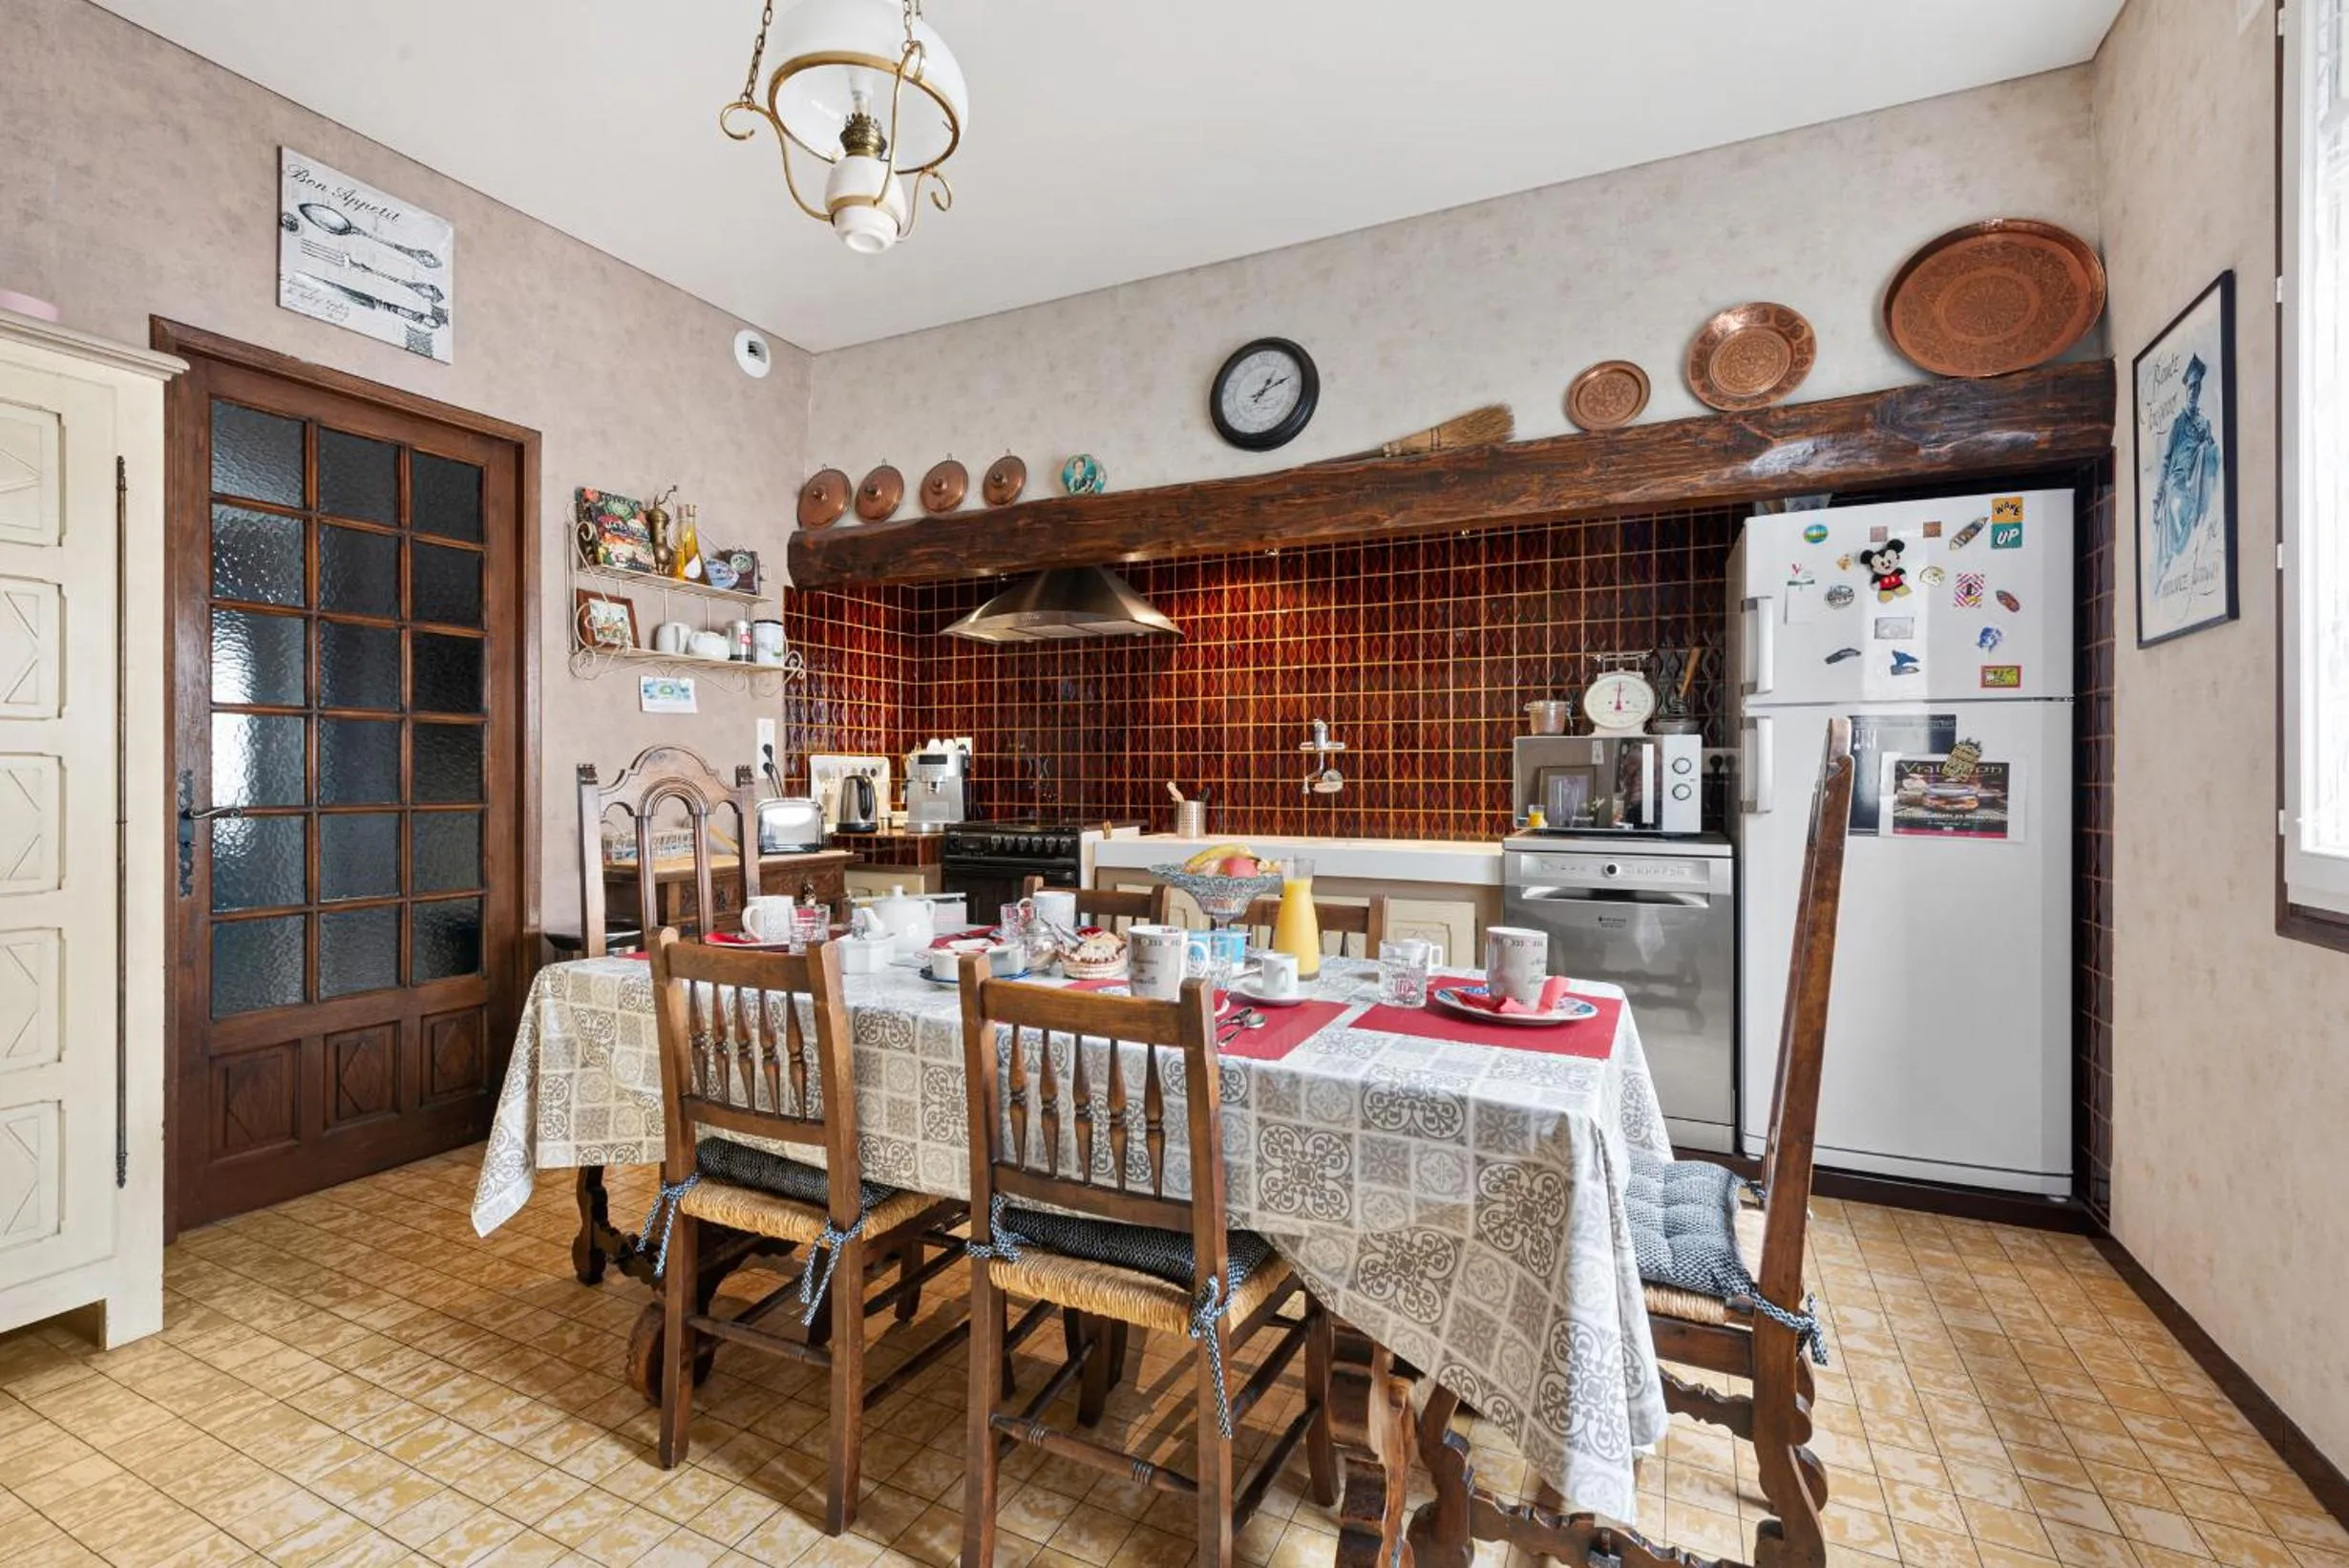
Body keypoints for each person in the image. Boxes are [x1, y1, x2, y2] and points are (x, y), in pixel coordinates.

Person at [2152, 354, 2221, 584]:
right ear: (2186, 389)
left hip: (2196, 477)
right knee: (2178, 505)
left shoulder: (2204, 423)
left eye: (2197, 387)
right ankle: (2176, 561)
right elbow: (2166, 460)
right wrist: (2157, 499)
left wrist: (2207, 445)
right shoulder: (2178, 423)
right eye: (2191, 387)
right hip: (2177, 481)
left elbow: (2211, 453)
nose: (2194, 391)